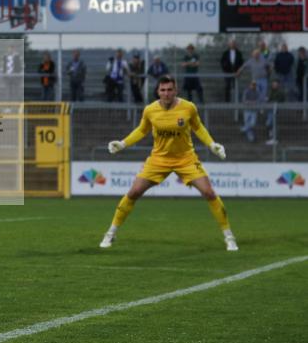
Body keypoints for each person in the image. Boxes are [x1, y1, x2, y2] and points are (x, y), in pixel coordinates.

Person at [100, 75, 237, 252]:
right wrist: (123, 143)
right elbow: (142, 130)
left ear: (176, 90)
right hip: (159, 159)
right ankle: (111, 233)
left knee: (209, 193)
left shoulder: (188, 108)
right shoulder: (150, 110)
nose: (166, 93)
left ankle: (229, 236)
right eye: (163, 90)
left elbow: (198, 127)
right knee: (134, 192)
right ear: (157, 92)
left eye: (170, 89)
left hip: (186, 158)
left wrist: (212, 145)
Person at [265, 79, 285, 145]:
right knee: (269, 123)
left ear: (278, 85)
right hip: (270, 109)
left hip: (276, 110)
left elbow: (282, 100)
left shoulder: (280, 92)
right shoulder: (270, 91)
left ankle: (274, 139)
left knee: (273, 123)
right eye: (273, 84)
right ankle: (272, 137)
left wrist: (275, 102)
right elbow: (268, 99)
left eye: (275, 84)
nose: (274, 85)